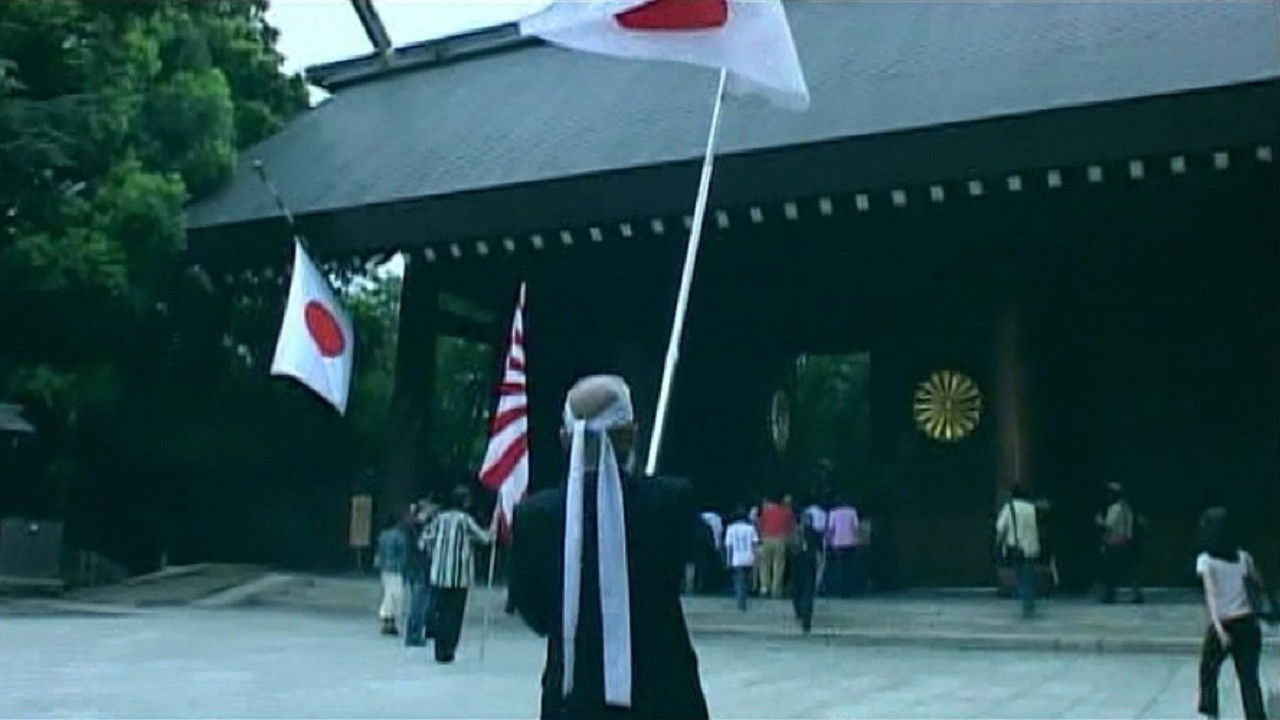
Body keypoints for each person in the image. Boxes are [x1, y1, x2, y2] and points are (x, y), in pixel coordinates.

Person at [510, 375, 709, 719]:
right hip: (664, 695)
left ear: (564, 439)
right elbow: (689, 561)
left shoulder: (534, 517)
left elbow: (535, 612)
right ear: (630, 435)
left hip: (573, 698)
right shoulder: (671, 501)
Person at [1195, 510, 1267, 720]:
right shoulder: (1244, 557)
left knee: (1208, 670)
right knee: (1249, 678)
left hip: (1225, 623)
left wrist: (1218, 629)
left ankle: (1211, 713)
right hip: (1248, 623)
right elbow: (1259, 583)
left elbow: (1211, 597)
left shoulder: (1205, 560)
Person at [421, 486, 493, 663]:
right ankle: (449, 649)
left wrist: (434, 554)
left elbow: (424, 540)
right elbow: (484, 538)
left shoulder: (439, 519)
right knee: (454, 615)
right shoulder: (464, 520)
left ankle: (439, 648)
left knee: (441, 612)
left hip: (439, 575)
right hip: (459, 577)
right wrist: (493, 529)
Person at [995, 484, 1041, 619]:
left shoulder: (1009, 507)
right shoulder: (1032, 508)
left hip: (1017, 547)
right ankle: (1029, 601)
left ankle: (1026, 601)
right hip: (1032, 546)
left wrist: (998, 544)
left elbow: (1000, 527)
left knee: (1021, 575)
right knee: (1029, 575)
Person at [1096, 482, 1144, 604]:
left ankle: (1110, 595)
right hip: (1125, 542)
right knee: (1128, 570)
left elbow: (1109, 525)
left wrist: (1099, 520)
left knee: (1111, 570)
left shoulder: (1115, 508)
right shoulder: (1127, 507)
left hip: (1114, 543)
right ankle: (1136, 594)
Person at [404, 497, 439, 647]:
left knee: (423, 602)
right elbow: (420, 546)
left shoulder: (415, 526)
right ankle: (414, 634)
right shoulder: (416, 527)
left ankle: (420, 630)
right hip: (419, 568)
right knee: (419, 603)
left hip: (419, 568)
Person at [791, 498, 824, 633]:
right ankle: (806, 618)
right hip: (809, 561)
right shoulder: (814, 533)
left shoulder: (794, 533)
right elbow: (820, 550)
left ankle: (798, 610)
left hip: (796, 561)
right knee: (808, 591)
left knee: (797, 588)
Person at [374, 511, 408, 636]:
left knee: (387, 594)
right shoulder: (400, 536)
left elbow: (380, 552)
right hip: (397, 569)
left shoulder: (383, 535)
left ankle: (386, 619)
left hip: (385, 569)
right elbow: (403, 554)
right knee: (396, 596)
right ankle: (391, 619)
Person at [756, 493, 794, 598]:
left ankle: (764, 588)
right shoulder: (787, 513)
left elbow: (760, 525)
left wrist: (760, 538)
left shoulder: (766, 512)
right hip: (780, 539)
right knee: (778, 566)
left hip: (766, 538)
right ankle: (776, 590)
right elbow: (790, 528)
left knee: (764, 565)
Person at [723, 508, 758, 612]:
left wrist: (728, 561)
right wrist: (755, 558)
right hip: (749, 558)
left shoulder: (731, 528)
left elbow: (729, 546)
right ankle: (744, 599)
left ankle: (741, 603)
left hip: (736, 559)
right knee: (747, 581)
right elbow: (754, 544)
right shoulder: (751, 528)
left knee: (739, 582)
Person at [825, 498, 859, 597]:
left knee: (840, 566)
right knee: (849, 566)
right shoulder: (852, 511)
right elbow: (856, 527)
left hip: (838, 542)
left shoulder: (834, 512)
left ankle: (841, 590)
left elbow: (831, 528)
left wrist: (828, 540)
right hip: (850, 542)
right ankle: (849, 589)